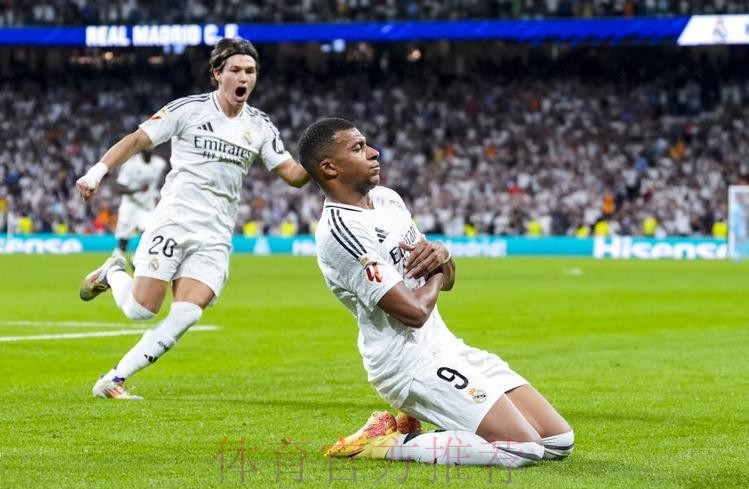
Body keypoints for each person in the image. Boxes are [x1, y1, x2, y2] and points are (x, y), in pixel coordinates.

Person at [298, 118, 573, 467]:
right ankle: (386, 443)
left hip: (446, 347)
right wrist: (438, 270)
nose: (374, 152)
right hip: (408, 365)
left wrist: (443, 254)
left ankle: (437, 427)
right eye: (358, 148)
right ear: (329, 168)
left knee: (558, 441)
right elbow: (413, 312)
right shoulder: (340, 231)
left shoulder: (388, 200)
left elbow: (447, 276)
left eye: (366, 143)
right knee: (523, 448)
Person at [76, 37, 309, 399]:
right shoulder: (188, 110)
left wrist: (323, 159)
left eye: (250, 71)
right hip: (175, 220)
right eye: (235, 70)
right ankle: (113, 273)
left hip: (216, 233)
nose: (243, 77)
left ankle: (114, 379)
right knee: (141, 310)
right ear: (217, 73)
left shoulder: (261, 126)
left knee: (188, 313)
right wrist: (96, 173)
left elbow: (293, 175)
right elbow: (136, 140)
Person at [112, 150, 169, 264]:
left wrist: (158, 194)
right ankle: (114, 267)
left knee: (148, 236)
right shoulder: (131, 164)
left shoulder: (159, 164)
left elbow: (163, 182)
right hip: (130, 206)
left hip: (147, 207)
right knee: (123, 240)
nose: (150, 147)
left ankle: (137, 259)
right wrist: (138, 190)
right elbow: (119, 188)